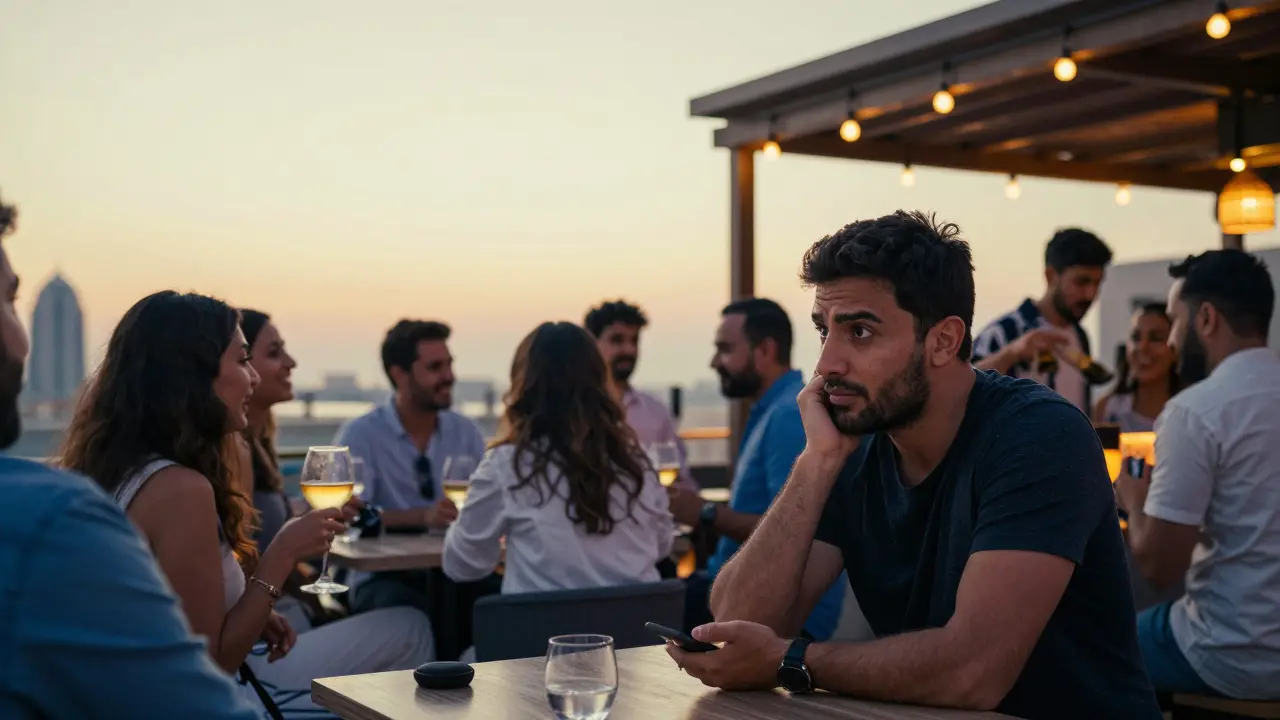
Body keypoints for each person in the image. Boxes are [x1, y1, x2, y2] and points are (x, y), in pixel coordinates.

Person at [666, 211, 1160, 720]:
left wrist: (791, 660)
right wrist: (817, 462)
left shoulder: (1039, 436)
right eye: (824, 331)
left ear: (944, 341)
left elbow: (973, 671)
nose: (827, 365)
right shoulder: (854, 447)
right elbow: (736, 623)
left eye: (859, 332)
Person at [59, 292, 434, 717]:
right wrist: (284, 552)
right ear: (194, 376)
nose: (252, 378)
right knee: (404, 665)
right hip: (214, 703)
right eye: (242, 360)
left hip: (135, 698)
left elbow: (176, 618)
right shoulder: (181, 490)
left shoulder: (124, 472)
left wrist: (251, 612)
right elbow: (210, 665)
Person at [0, 195, 259, 719]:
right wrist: (278, 566)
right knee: (408, 633)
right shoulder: (58, 514)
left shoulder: (94, 474)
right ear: (195, 379)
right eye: (244, 359)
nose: (21, 340)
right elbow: (206, 688)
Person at [1115, 250, 1280, 700]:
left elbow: (1160, 567)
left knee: (1086, 646)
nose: (1170, 340)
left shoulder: (1195, 411)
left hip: (1231, 653)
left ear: (1206, 318)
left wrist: (1133, 497)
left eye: (1174, 321)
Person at [443, 321, 673, 593]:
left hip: (541, 633)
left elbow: (463, 565)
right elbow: (661, 546)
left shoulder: (506, 465)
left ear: (523, 385)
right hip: (634, 633)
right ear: (601, 382)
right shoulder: (637, 463)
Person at [668, 298, 845, 639]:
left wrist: (704, 513)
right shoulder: (772, 411)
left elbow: (795, 531)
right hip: (736, 594)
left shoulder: (787, 417)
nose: (714, 361)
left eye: (725, 349)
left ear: (764, 350)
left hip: (779, 620)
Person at [335, 319, 486, 615]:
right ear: (399, 374)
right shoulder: (361, 434)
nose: (449, 376)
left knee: (493, 605)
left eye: (449, 365)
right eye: (435, 367)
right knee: (413, 609)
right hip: (381, 576)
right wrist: (423, 516)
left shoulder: (466, 432)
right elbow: (349, 515)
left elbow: (487, 503)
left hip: (456, 569)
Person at [240, 308, 354, 628]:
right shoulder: (235, 453)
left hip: (283, 616)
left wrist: (306, 521)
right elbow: (247, 562)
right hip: (274, 626)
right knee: (412, 626)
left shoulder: (257, 446)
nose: (291, 362)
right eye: (275, 353)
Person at [972, 228, 1113, 412]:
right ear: (1050, 276)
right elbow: (962, 386)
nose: (1091, 294)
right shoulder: (1004, 332)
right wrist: (1013, 353)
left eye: (1097, 283)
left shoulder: (1080, 336)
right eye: (1081, 282)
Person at [585, 300, 696, 491]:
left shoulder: (655, 411)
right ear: (592, 343)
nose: (629, 350)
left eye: (634, 341)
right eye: (617, 340)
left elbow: (682, 480)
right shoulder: (579, 409)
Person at [1092, 304, 1179, 432]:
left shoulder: (1188, 414)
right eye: (1136, 338)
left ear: (1175, 350)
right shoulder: (1107, 409)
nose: (1142, 347)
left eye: (1156, 338)